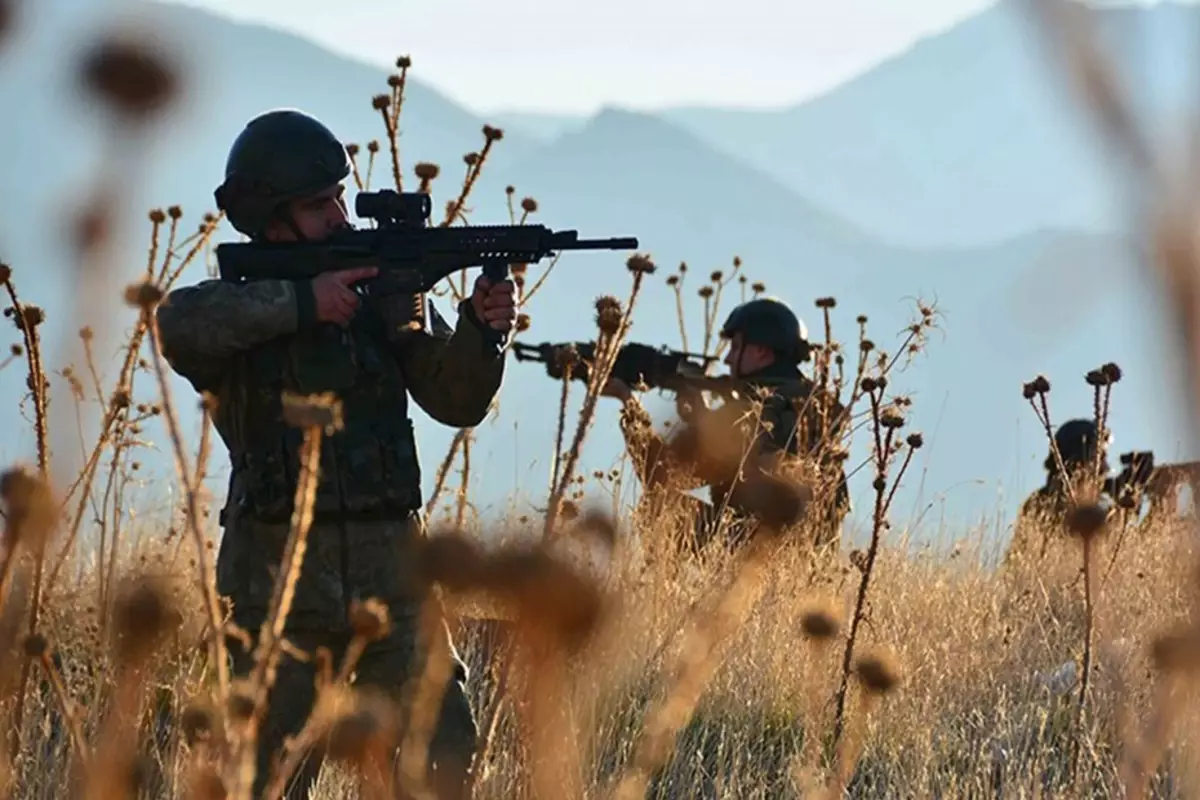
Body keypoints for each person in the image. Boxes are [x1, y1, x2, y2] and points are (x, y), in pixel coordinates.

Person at [155, 108, 516, 798]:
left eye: (341, 199)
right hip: (276, 584)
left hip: (394, 574)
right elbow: (178, 325)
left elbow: (455, 401)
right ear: (269, 216)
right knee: (261, 779)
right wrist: (302, 304)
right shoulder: (239, 309)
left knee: (442, 762)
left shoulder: (384, 295)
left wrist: (480, 330)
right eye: (320, 206)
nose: (341, 217)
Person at [603, 297, 850, 555]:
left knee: (659, 505)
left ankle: (669, 594)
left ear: (761, 351)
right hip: (810, 559)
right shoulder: (813, 406)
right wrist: (703, 419)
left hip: (756, 554)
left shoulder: (751, 409)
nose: (729, 359)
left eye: (736, 346)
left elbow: (662, 472)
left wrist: (628, 404)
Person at [1006, 418, 1112, 566]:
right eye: (1101, 456)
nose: (1106, 467)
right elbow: (1018, 563)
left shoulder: (1037, 502)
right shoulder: (1041, 505)